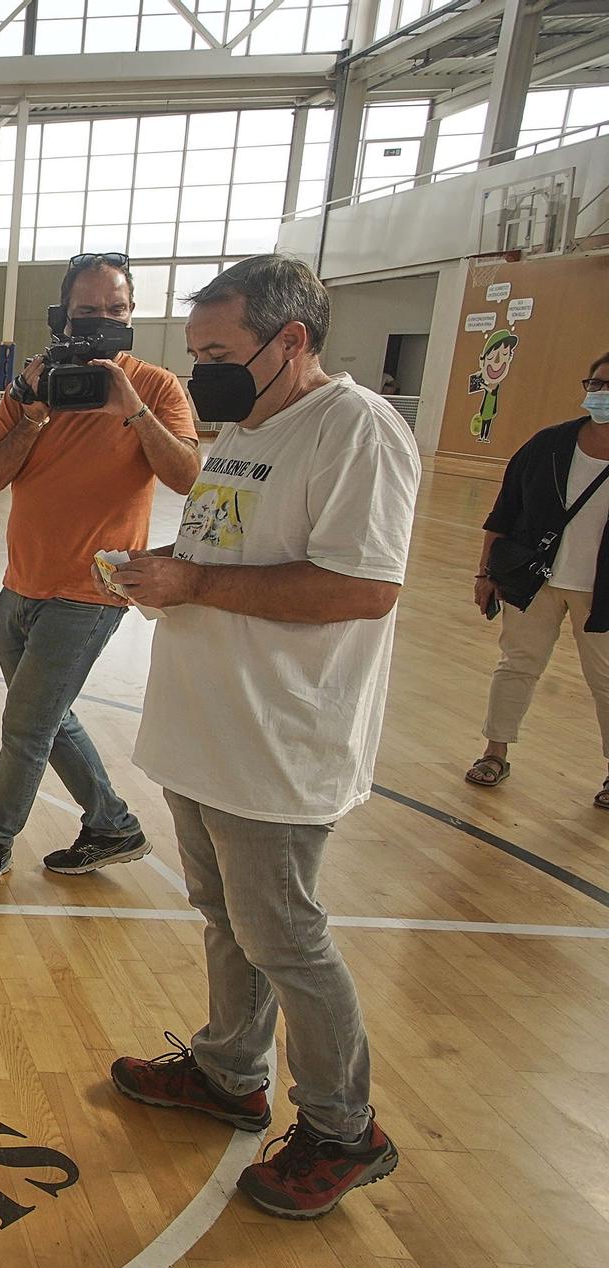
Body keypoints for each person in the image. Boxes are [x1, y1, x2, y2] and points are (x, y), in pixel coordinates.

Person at [104, 254, 419, 1219]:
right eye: (195, 353)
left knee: (286, 937)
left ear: (294, 341)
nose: (204, 374)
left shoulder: (354, 430)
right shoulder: (246, 430)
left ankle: (341, 1127)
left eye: (221, 352)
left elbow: (365, 587)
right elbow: (226, 550)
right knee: (225, 915)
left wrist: (194, 584)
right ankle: (230, 1069)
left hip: (280, 742)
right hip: (207, 728)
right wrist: (165, 568)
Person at [0, 253, 201, 893]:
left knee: (27, 725)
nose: (104, 323)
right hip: (20, 585)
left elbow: (188, 478)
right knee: (48, 716)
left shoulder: (159, 387)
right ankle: (111, 824)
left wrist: (130, 406)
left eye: (116, 310)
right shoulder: (31, 391)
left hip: (92, 590)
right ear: (63, 317)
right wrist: (33, 412)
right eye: (89, 312)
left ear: (132, 315)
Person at [466, 351, 609, 808]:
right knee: (517, 665)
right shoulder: (548, 444)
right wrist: (486, 571)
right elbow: (505, 511)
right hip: (534, 580)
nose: (602, 394)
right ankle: (495, 752)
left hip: (600, 592)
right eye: (597, 383)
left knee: (606, 681)